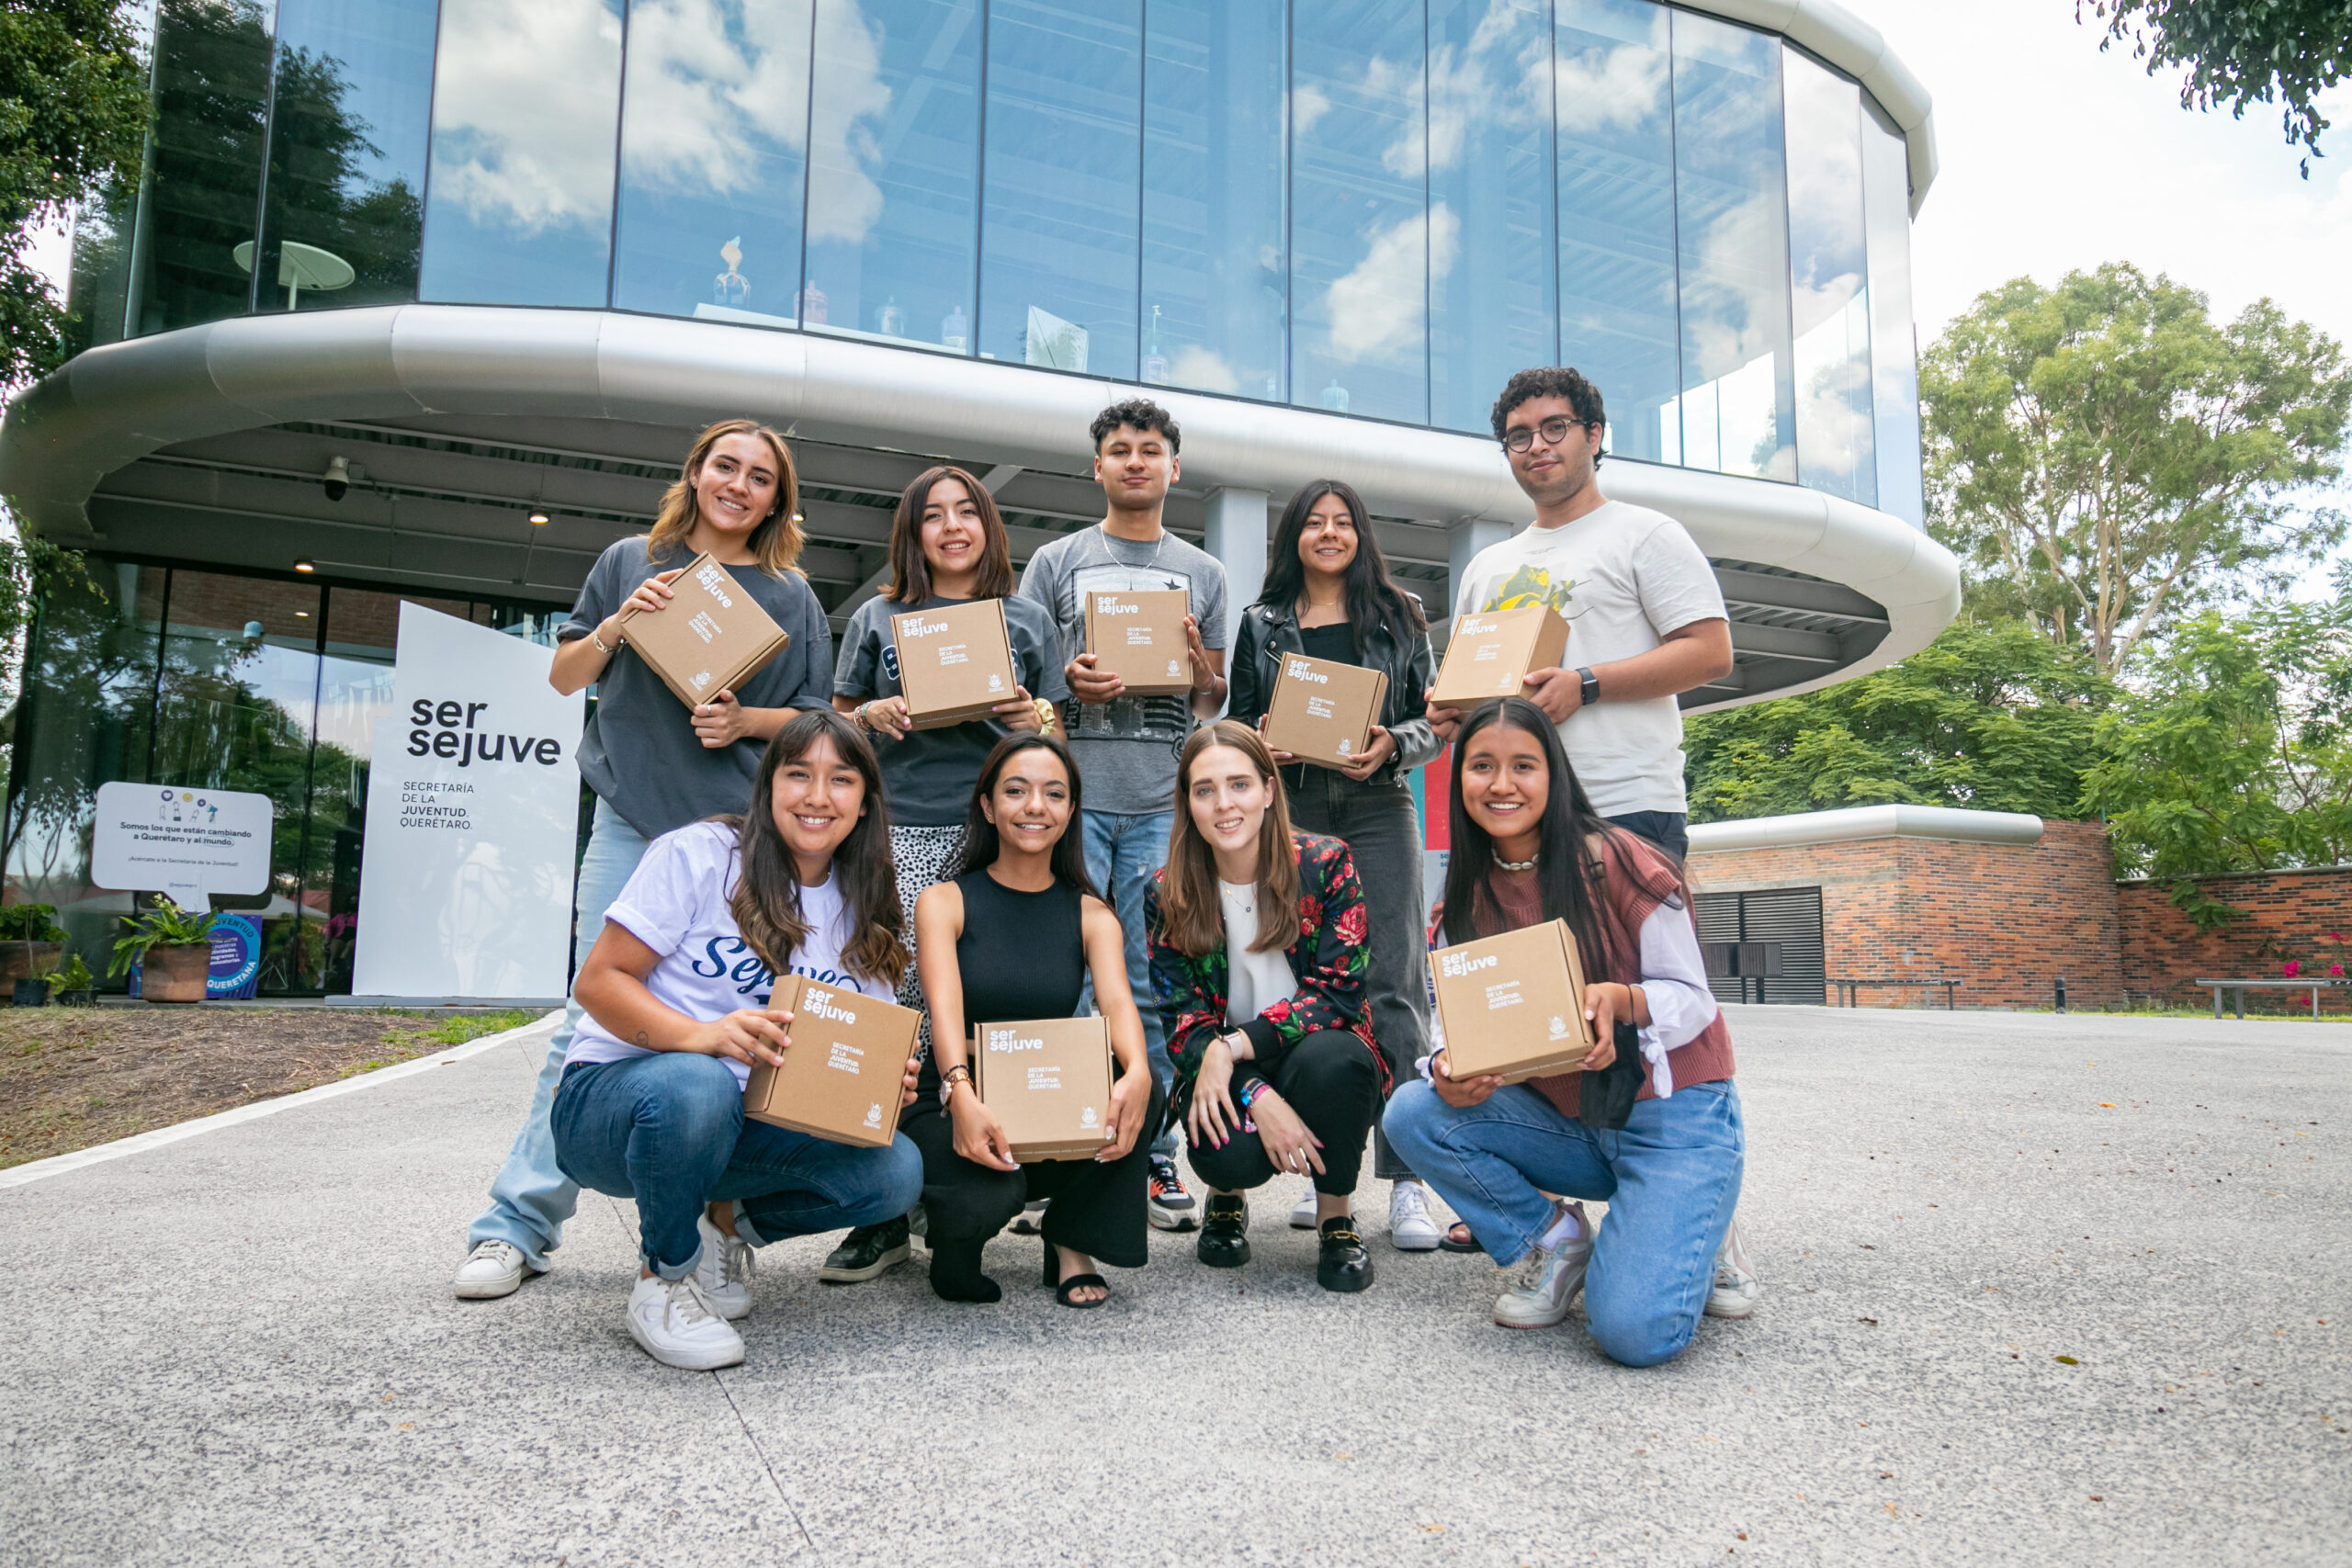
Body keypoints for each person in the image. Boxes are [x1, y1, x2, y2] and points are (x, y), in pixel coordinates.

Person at [454, 419, 835, 1300]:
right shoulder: (633, 559)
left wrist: (745, 722)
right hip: (631, 825)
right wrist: (622, 624)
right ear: (696, 472)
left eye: (761, 477)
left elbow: (818, 718)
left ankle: (698, 1221)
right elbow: (563, 674)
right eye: (725, 466)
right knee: (587, 1023)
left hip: (739, 842)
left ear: (778, 498)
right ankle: (515, 1226)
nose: (739, 485)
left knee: (730, 1027)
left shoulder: (793, 595)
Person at [548, 711, 925, 1370]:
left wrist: (881, 1080)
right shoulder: (699, 855)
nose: (816, 796)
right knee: (694, 1081)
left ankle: (723, 1224)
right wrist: (704, 1035)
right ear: (767, 784)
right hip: (616, 1105)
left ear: (864, 804)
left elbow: (859, 1055)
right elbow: (600, 981)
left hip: (741, 1124)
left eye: (840, 779)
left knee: (895, 1169)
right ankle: (663, 1279)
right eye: (798, 774)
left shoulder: (861, 904)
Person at [1381, 698, 1748, 1366]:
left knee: (1636, 1333)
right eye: (1482, 766)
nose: (1501, 784)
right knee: (1414, 1109)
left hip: (1671, 1112)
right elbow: (1448, 1022)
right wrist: (1448, 1067)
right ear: (1458, 777)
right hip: (1574, 1123)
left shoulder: (1620, 860)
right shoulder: (1462, 901)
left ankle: (1702, 1219)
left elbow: (1695, 999)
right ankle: (1557, 1239)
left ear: (1554, 774)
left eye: (1523, 765)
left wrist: (1625, 999)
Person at [824, 465, 1067, 1283]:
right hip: (892, 830)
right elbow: (837, 724)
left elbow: (1053, 732)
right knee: (889, 1014)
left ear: (990, 529)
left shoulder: (1026, 618)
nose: (953, 526)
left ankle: (964, 1181)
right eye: (935, 515)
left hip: (986, 839)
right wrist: (870, 716)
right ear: (913, 532)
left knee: (962, 1011)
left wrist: (1025, 713)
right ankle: (881, 1210)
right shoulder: (877, 615)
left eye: (969, 512)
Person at [1018, 398, 1229, 1235]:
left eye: (1150, 451)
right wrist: (1070, 683)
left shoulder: (1202, 572)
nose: (1134, 462)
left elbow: (1218, 695)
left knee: (1148, 979)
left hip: (1159, 805)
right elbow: (1023, 678)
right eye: (1118, 450)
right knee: (1066, 977)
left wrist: (1191, 666)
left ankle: (1148, 1150)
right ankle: (1062, 1148)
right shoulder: (1056, 560)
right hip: (1067, 801)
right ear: (1095, 467)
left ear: (1174, 468)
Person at [1227, 479, 1445, 1250]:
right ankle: (1330, 1173)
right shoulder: (1262, 622)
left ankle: (1411, 1178)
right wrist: (1262, 739)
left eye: (1342, 522)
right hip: (1294, 812)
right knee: (1307, 987)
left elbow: (1433, 717)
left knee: (1393, 982)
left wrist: (1395, 744)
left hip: (1381, 811)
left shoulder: (1401, 613)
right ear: (1292, 537)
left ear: (1361, 534)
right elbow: (1235, 721)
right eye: (1313, 523)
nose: (1328, 533)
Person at [1428, 367, 1735, 861]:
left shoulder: (1647, 534)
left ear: (1594, 435)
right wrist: (1454, 716)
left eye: (1555, 428)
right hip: (1510, 814)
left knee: (1622, 944)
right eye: (1519, 437)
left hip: (1622, 806)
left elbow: (1711, 653)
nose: (1537, 446)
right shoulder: (1486, 566)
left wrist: (1585, 684)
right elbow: (1480, 692)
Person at [902, 733, 1162, 1306]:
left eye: (1054, 794)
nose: (1035, 807)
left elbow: (1118, 1005)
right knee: (989, 1197)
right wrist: (961, 1093)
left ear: (1071, 812)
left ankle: (1071, 1240)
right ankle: (952, 1240)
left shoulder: (1092, 913)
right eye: (1016, 791)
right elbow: (941, 1012)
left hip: (1043, 1092)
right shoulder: (943, 901)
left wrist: (1139, 1071)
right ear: (989, 807)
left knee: (1143, 1084)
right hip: (951, 1096)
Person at [1145, 721, 1385, 1293]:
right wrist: (1255, 1089)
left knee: (1336, 1063)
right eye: (1204, 790)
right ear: (1188, 804)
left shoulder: (1327, 863)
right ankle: (1226, 1198)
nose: (1223, 804)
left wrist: (1233, 1047)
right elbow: (1182, 1025)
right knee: (1226, 1148)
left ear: (1269, 790)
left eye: (1239, 785)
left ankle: (1336, 1216)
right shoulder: (1166, 891)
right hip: (1226, 1071)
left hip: (1313, 1049)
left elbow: (1337, 995)